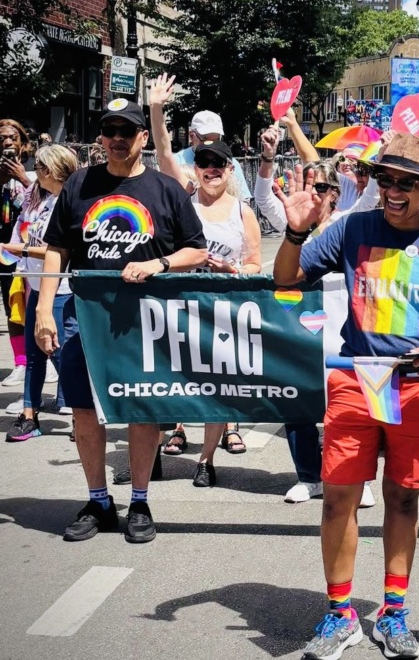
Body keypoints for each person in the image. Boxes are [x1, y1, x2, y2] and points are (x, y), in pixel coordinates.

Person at [273, 134, 419, 660]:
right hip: (355, 380)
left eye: (406, 183)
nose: (393, 191)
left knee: (402, 498)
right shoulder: (353, 228)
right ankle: (340, 613)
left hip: (418, 386)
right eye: (385, 180)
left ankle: (394, 611)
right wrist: (295, 230)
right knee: (338, 498)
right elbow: (285, 278)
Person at [36, 96, 208, 543]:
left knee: (140, 408)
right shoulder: (78, 185)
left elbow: (197, 249)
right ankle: (98, 500)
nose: (116, 139)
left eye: (126, 132)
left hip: (144, 322)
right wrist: (43, 309)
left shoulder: (165, 190)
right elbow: (58, 247)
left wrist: (159, 265)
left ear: (142, 138)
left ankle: (138, 501)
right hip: (84, 319)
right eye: (109, 131)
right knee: (84, 412)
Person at [149, 74, 262, 485]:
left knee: (217, 386)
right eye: (204, 162)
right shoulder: (184, 198)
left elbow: (254, 264)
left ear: (229, 169)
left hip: (224, 309)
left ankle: (206, 460)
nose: (211, 169)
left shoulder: (241, 211)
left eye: (218, 164)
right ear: (194, 167)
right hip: (181, 304)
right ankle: (175, 430)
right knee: (175, 379)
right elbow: (163, 152)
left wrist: (232, 269)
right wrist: (157, 109)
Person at [256, 125, 376, 507]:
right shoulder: (294, 219)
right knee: (299, 402)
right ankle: (309, 476)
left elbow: (371, 195)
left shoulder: (348, 223)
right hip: (296, 330)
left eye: (323, 188)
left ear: (337, 195)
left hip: (342, 331)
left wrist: (377, 155)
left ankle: (359, 476)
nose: (315, 193)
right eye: (310, 186)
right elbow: (263, 196)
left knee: (350, 405)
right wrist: (268, 157)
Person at [4, 145, 79, 441]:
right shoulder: (45, 200)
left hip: (59, 289)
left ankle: (80, 414)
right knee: (34, 354)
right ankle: (29, 414)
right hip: (36, 284)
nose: (35, 172)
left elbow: (58, 249)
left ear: (51, 171)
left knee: (60, 354)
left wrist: (17, 249)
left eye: (39, 166)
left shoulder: (68, 203)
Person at [1, 120, 35, 389]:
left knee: (34, 306)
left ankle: (44, 362)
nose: (8, 143)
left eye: (13, 138)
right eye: (2, 139)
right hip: (5, 250)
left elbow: (47, 201)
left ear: (22, 141)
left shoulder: (38, 167)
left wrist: (23, 178)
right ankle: (21, 362)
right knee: (12, 307)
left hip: (31, 249)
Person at [174, 109, 252, 202]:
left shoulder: (229, 162)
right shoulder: (175, 162)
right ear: (191, 135)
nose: (211, 145)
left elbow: (244, 200)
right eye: (205, 140)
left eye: (216, 140)